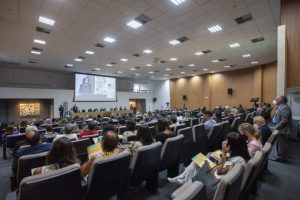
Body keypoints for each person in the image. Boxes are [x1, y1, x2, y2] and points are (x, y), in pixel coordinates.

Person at [168, 132, 250, 199]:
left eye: (227, 141)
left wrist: (223, 153)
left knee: (196, 163)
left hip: (214, 183)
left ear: (231, 146)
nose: (224, 142)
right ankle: (181, 179)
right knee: (197, 160)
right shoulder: (240, 156)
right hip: (218, 177)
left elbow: (219, 171)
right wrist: (223, 153)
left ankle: (181, 180)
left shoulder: (238, 160)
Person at [270, 95, 292, 162]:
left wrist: (276, 127)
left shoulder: (284, 107)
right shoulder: (280, 107)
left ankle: (281, 157)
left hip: (282, 129)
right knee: (279, 143)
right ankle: (280, 155)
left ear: (282, 100)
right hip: (280, 128)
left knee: (281, 143)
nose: (275, 99)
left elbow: (285, 120)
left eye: (278, 98)